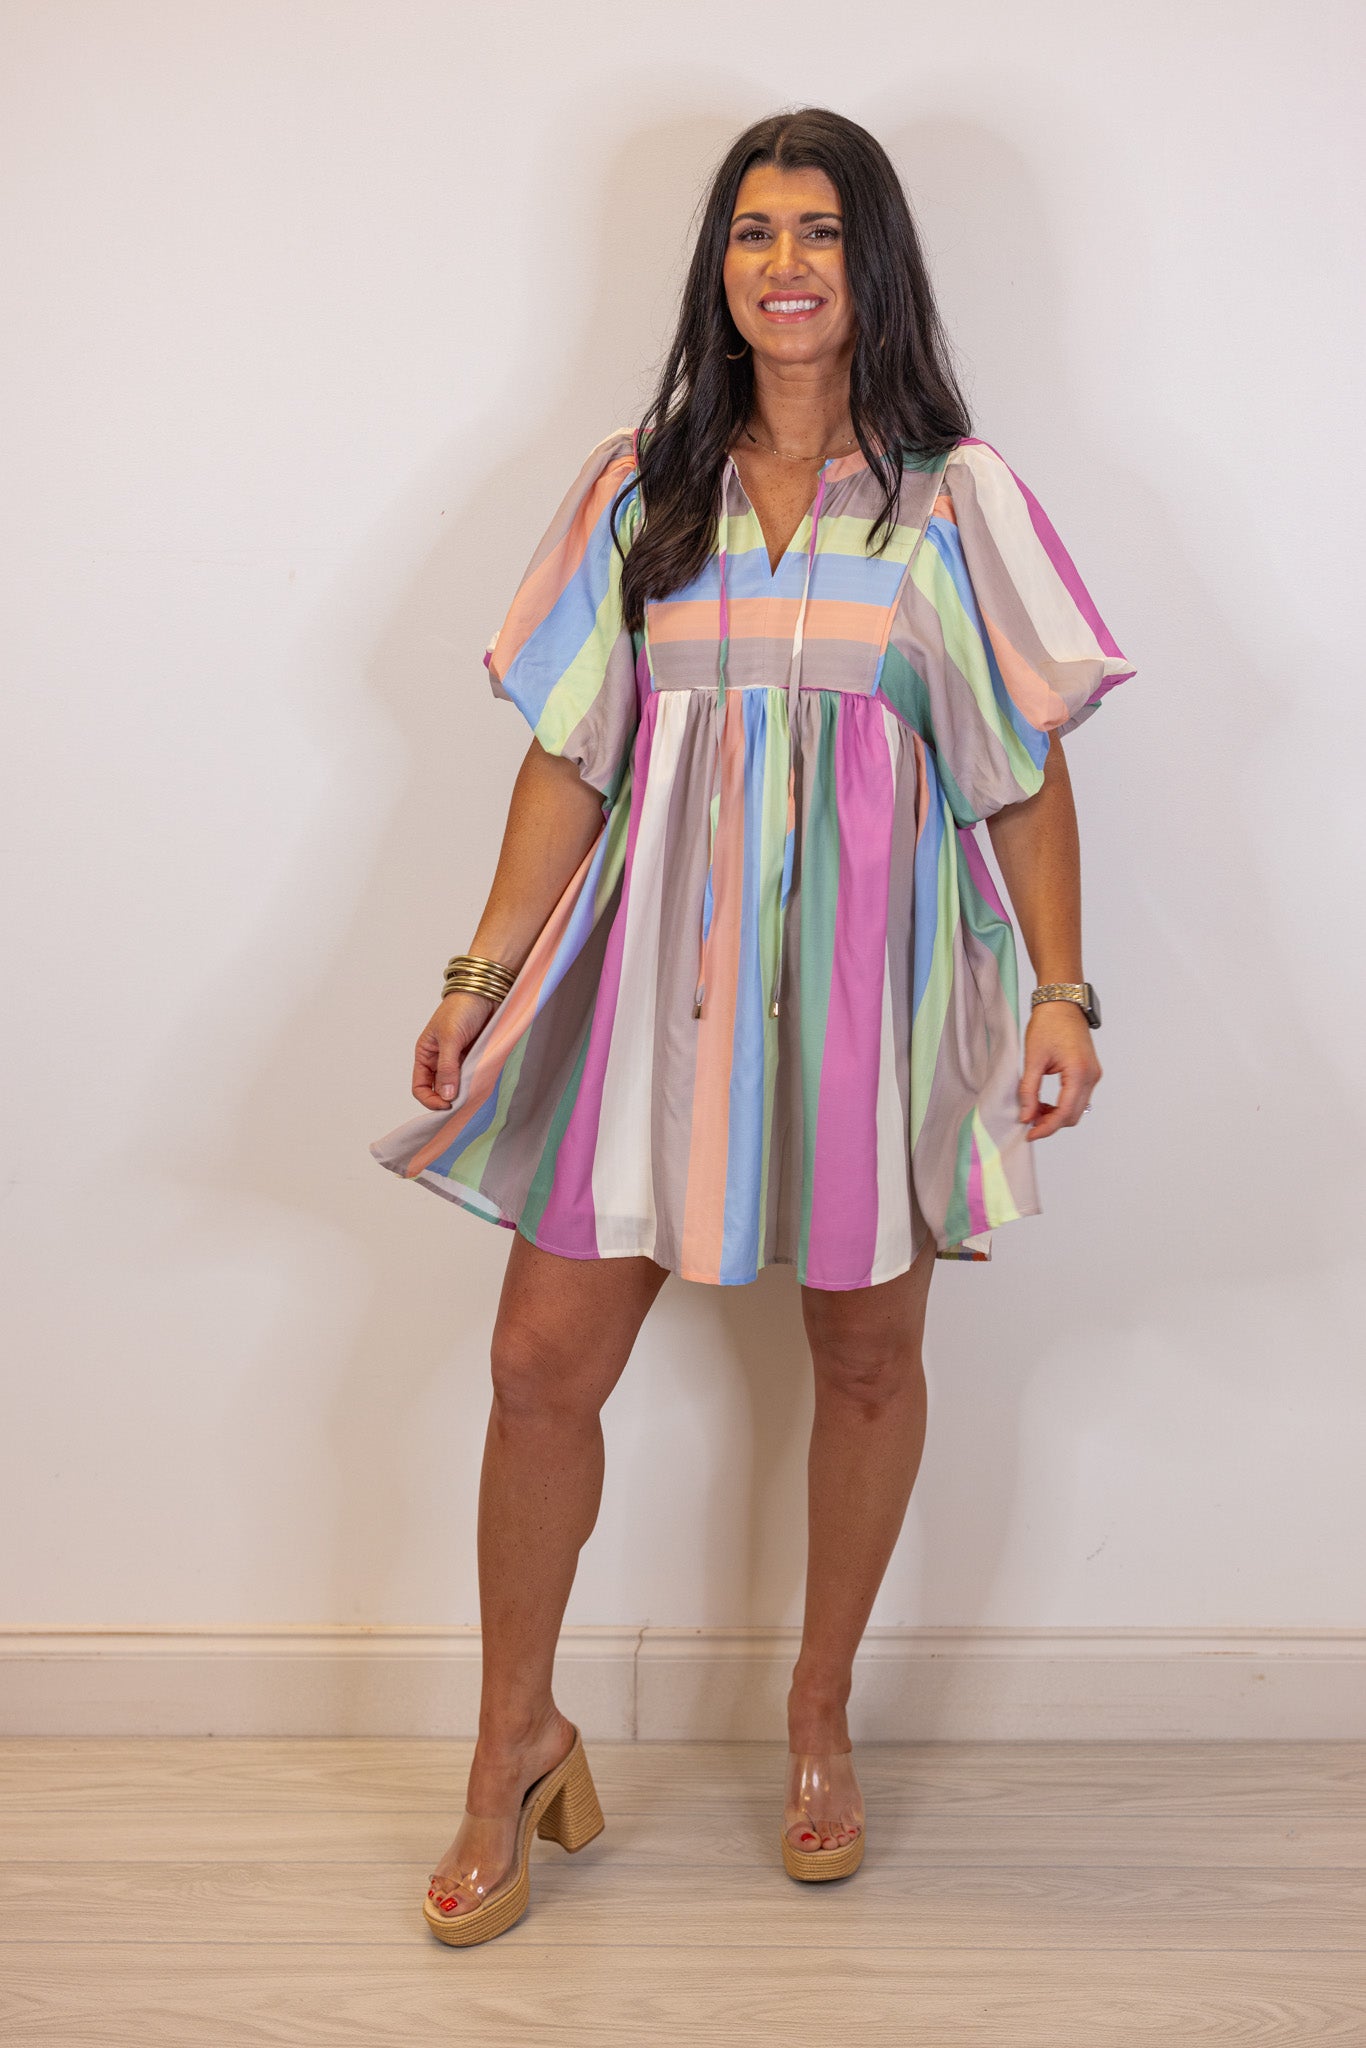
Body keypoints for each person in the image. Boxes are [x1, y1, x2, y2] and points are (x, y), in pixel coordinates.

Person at [370, 105, 1136, 1945]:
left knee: (864, 1362)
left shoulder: (953, 500)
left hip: (876, 996)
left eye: (819, 231)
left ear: (874, 264)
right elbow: (572, 758)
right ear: (717, 264)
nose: (783, 264)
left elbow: (1021, 774)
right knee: (537, 1367)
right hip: (650, 990)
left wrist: (1059, 992)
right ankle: (510, 1743)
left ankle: (818, 1716)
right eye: (751, 231)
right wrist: (477, 976)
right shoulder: (640, 488)